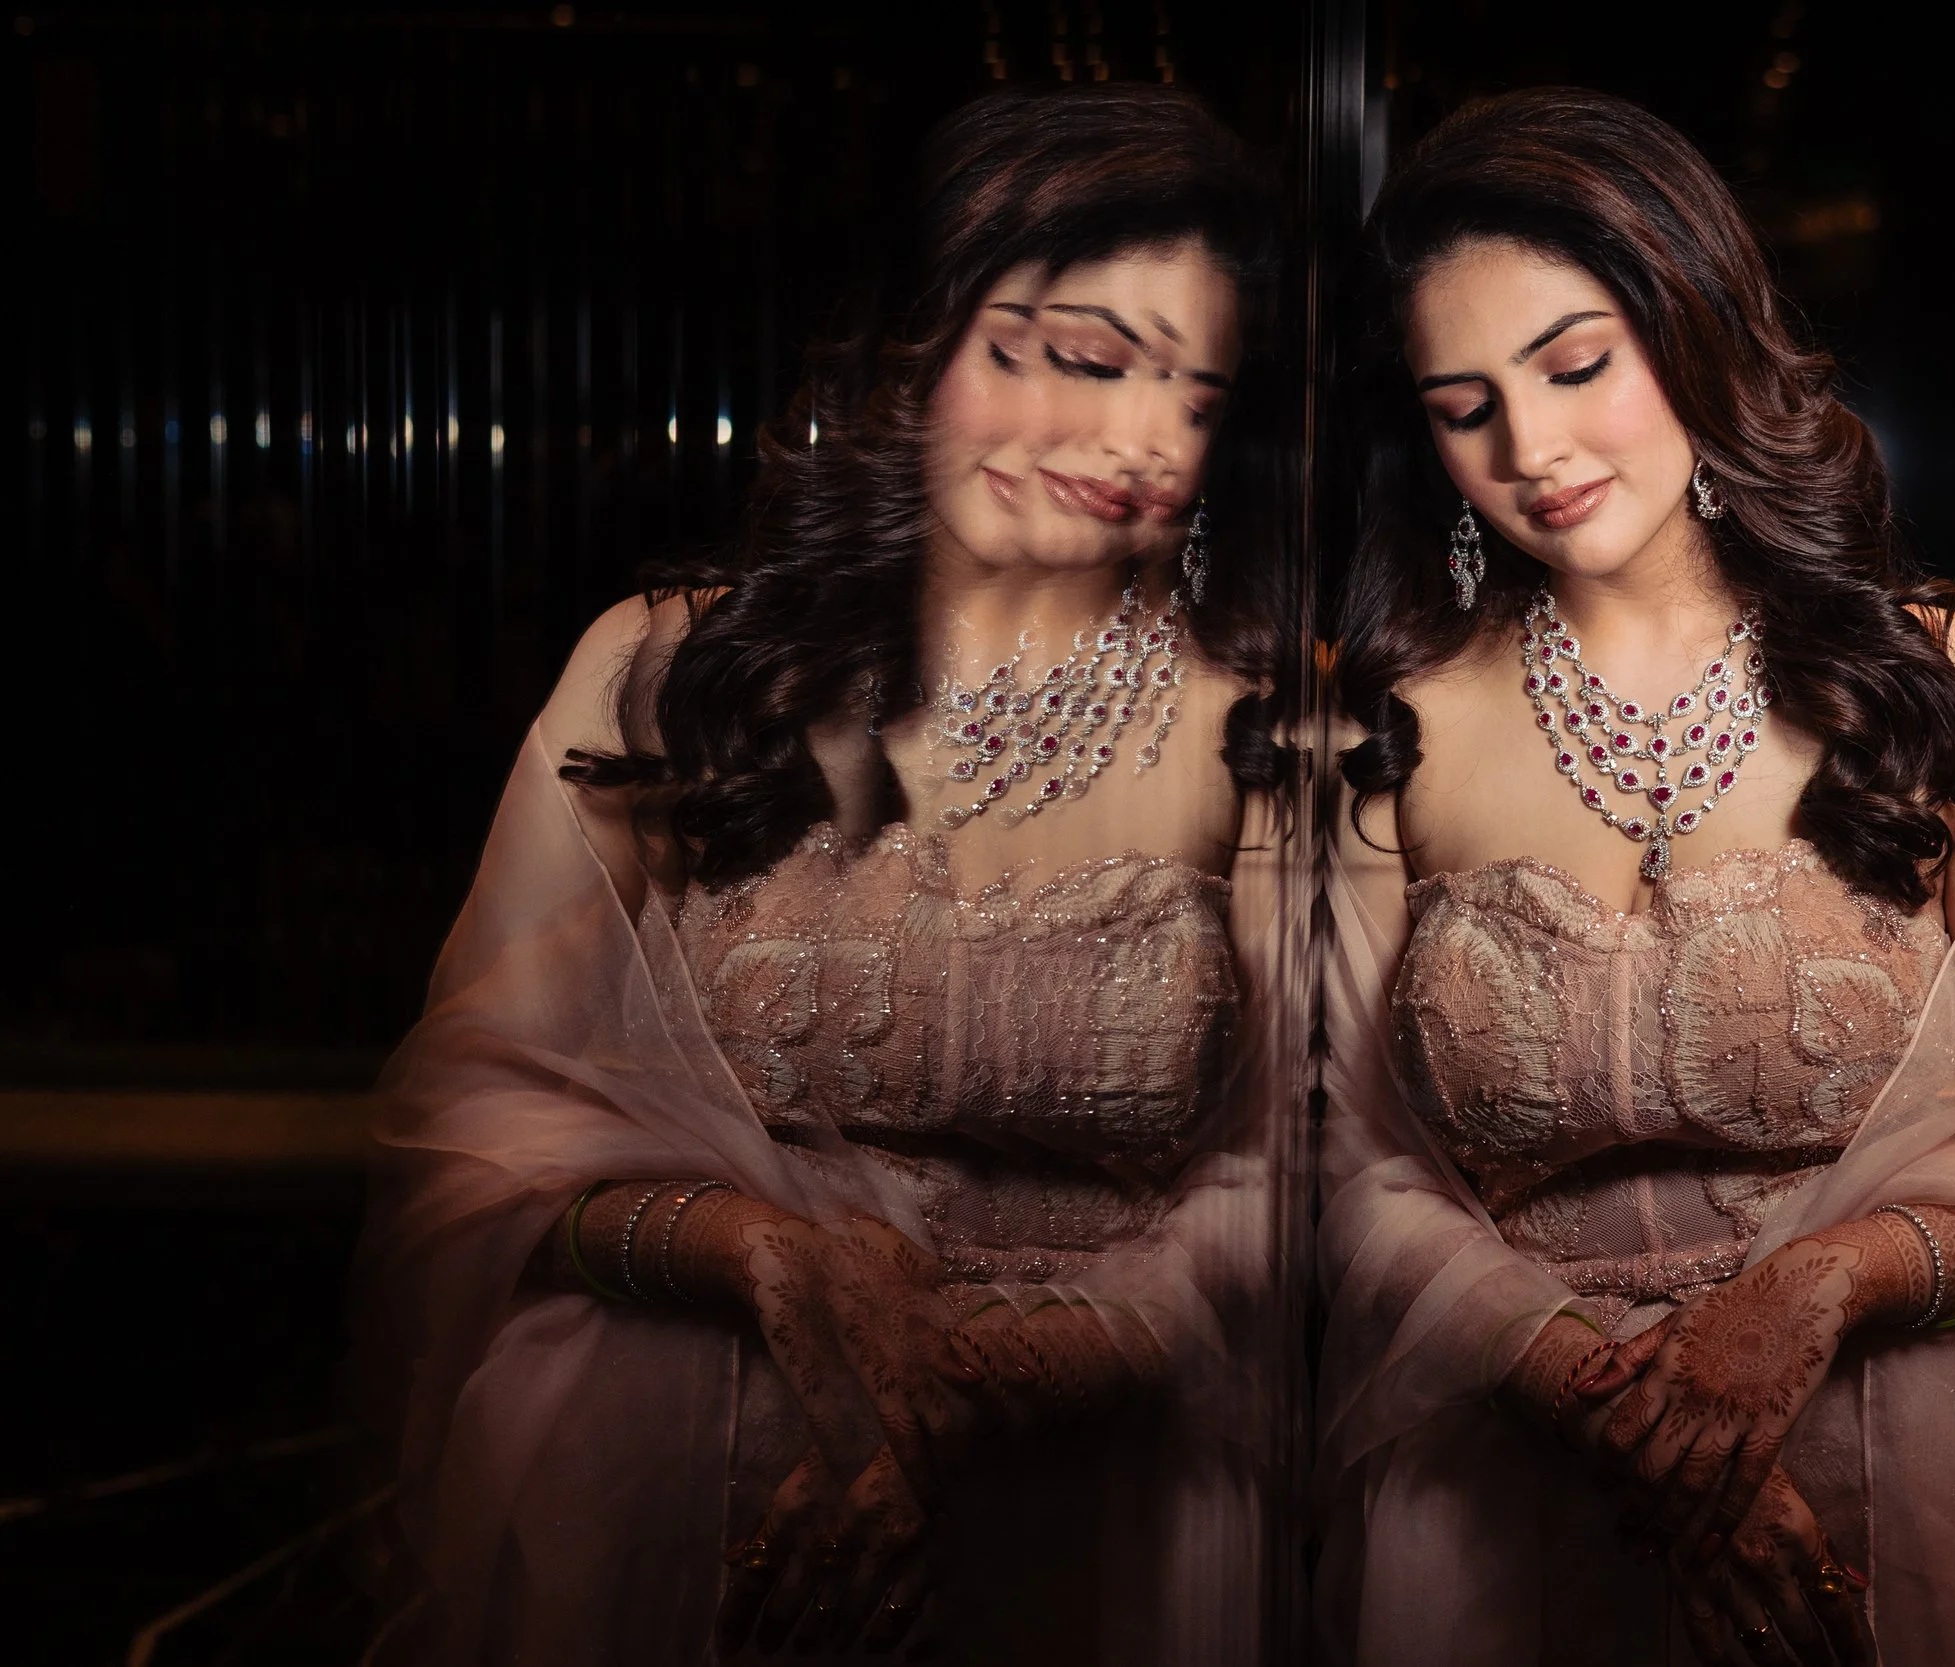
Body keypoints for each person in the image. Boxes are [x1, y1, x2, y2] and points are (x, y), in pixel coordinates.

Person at [1316, 88, 1955, 1666]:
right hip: (1515, 1502)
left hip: (1925, 1483)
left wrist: (1832, 1281)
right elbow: (1350, 1167)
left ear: (1689, 330)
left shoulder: (1934, 684)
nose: (1531, 449)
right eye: (1461, 403)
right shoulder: (1392, 725)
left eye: (1574, 366)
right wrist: (1588, 1388)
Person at [353, 84, 1294, 1666]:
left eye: (1189, 393)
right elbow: (468, 1131)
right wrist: (750, 1251)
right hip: (670, 1497)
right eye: (1072, 358)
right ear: (914, 347)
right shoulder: (670, 677)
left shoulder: (1267, 724)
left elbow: (1306, 1187)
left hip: (1104, 1513)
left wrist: (989, 1391)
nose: (1127, 440)